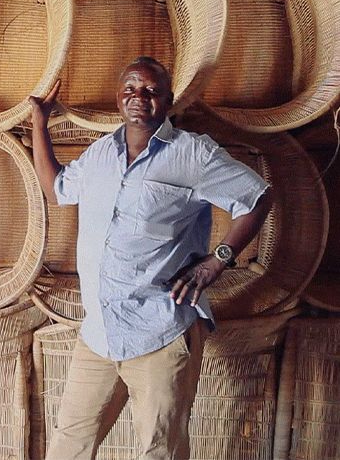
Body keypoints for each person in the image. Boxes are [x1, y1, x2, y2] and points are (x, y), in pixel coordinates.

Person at [29, 56, 273, 460]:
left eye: (150, 90)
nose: (138, 97)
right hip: (101, 334)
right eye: (129, 88)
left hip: (159, 332)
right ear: (117, 98)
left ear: (168, 100)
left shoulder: (192, 155)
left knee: (160, 450)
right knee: (68, 446)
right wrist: (40, 124)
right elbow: (57, 188)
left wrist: (218, 261)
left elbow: (258, 197)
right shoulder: (100, 155)